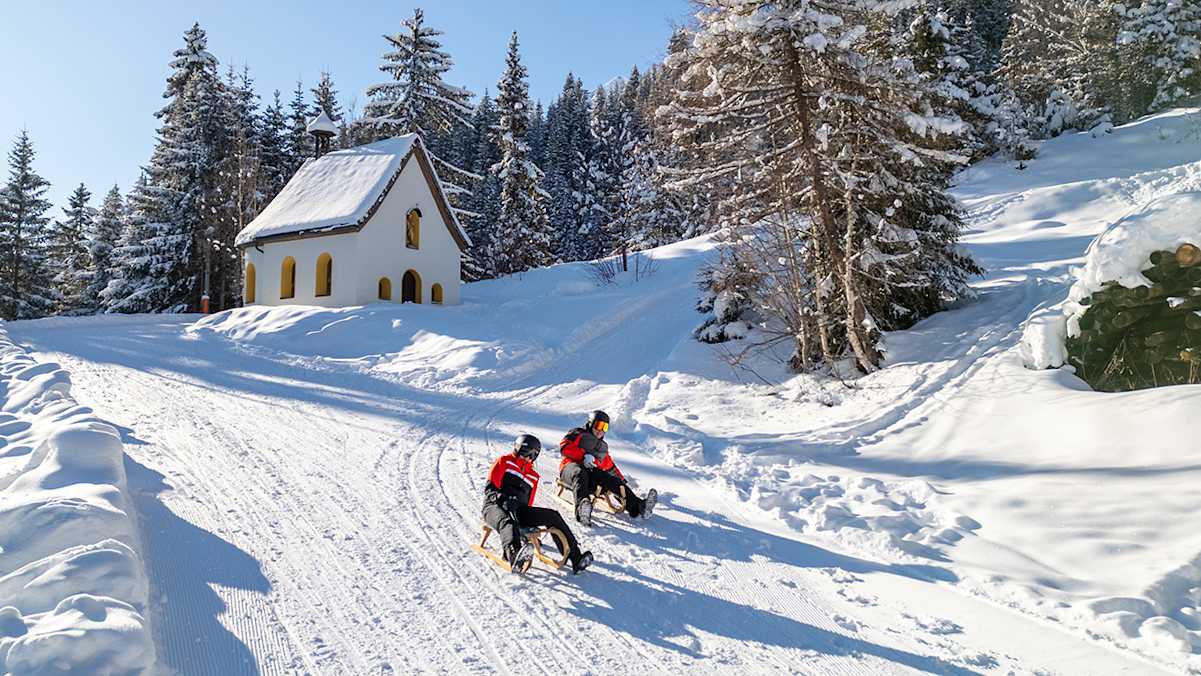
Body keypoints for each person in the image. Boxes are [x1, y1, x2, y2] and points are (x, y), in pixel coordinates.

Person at [483, 434, 593, 574]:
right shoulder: (504, 462)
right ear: (517, 450)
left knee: (552, 516)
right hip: (494, 507)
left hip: (519, 510)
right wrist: (502, 498)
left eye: (532, 455)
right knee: (507, 522)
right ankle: (514, 555)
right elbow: (489, 489)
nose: (528, 457)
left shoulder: (533, 476)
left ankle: (576, 557)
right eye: (525, 453)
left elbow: (528, 503)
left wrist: (529, 527)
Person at [559, 410, 657, 526]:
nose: (600, 430)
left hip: (590, 474)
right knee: (580, 472)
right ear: (590, 424)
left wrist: (622, 483)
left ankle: (639, 507)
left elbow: (610, 467)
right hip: (569, 468)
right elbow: (564, 447)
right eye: (598, 425)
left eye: (604, 427)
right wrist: (583, 455)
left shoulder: (602, 447)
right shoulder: (578, 433)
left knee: (611, 480)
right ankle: (582, 509)